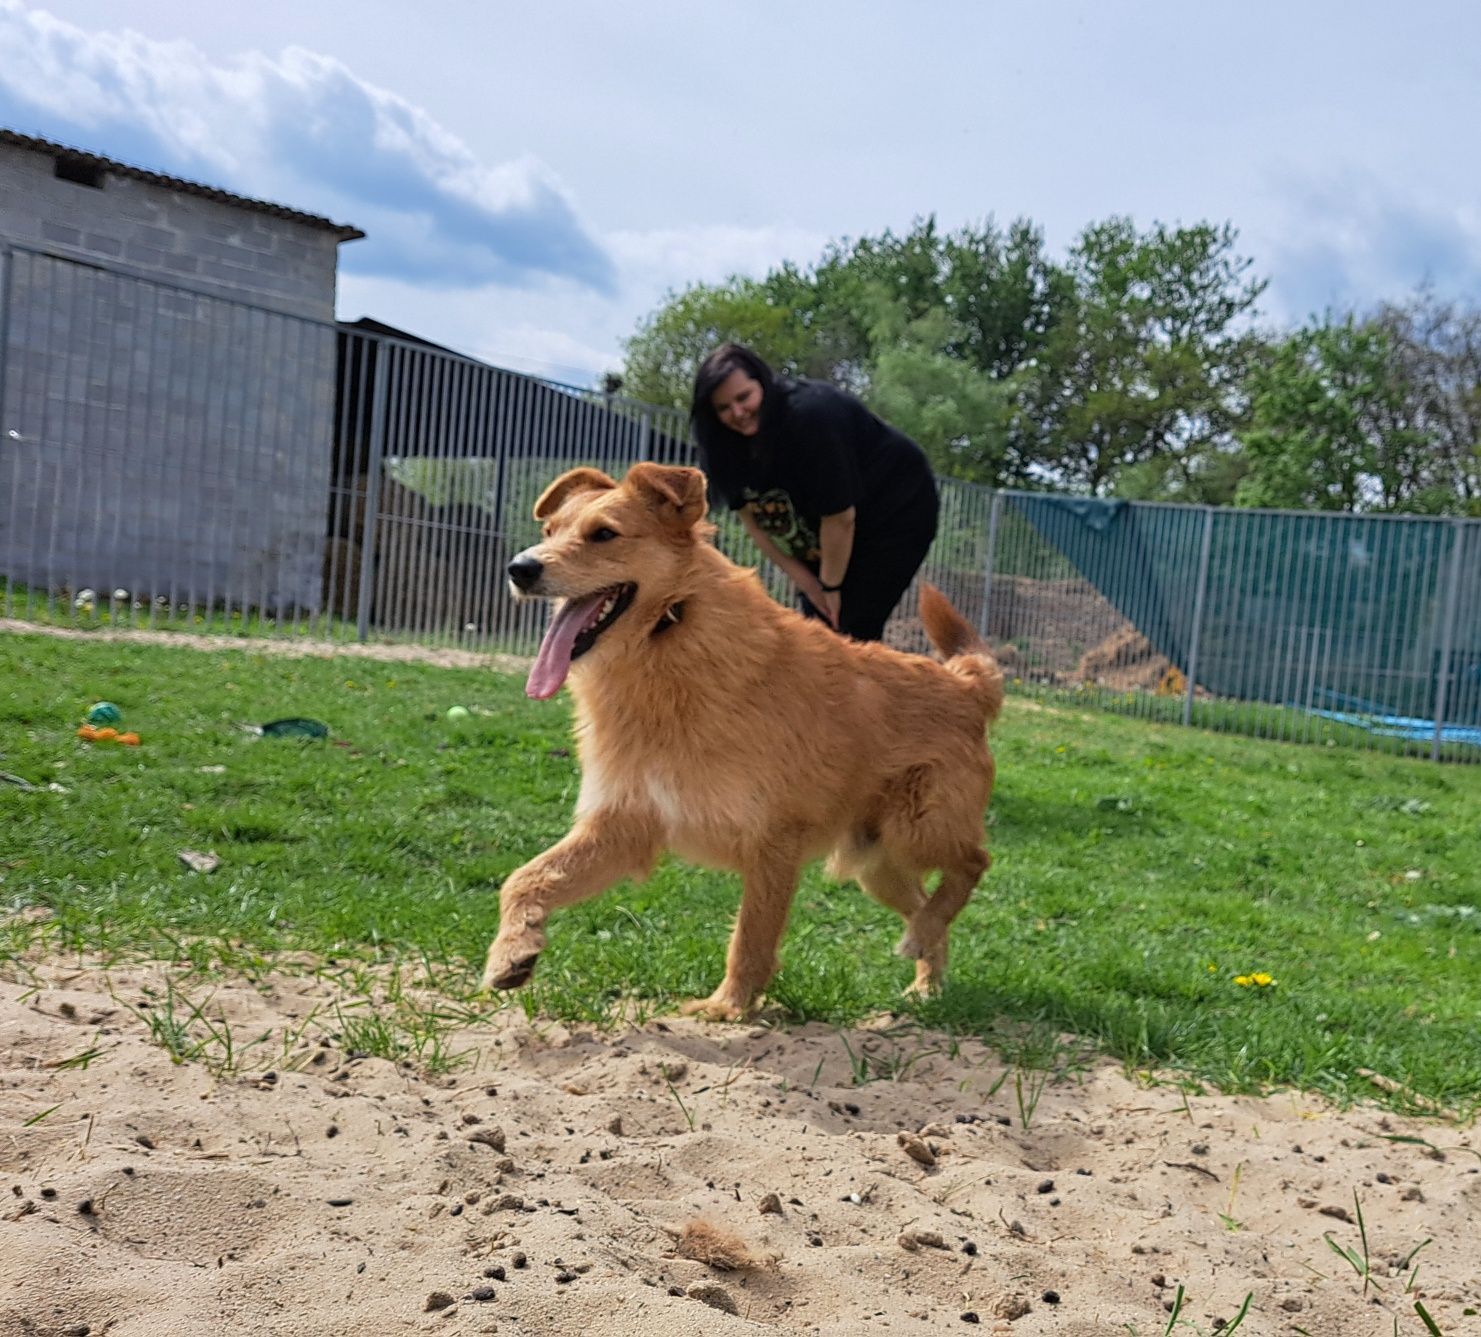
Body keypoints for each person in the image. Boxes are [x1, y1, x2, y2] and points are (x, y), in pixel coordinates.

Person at [690, 343, 939, 642]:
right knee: (818, 626)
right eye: (723, 408)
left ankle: (864, 683)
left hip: (896, 508)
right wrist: (810, 586)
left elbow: (840, 518)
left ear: (763, 384)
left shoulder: (811, 417)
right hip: (825, 526)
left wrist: (831, 588)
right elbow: (756, 526)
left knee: (849, 623)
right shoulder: (721, 447)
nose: (738, 412)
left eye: (744, 397)